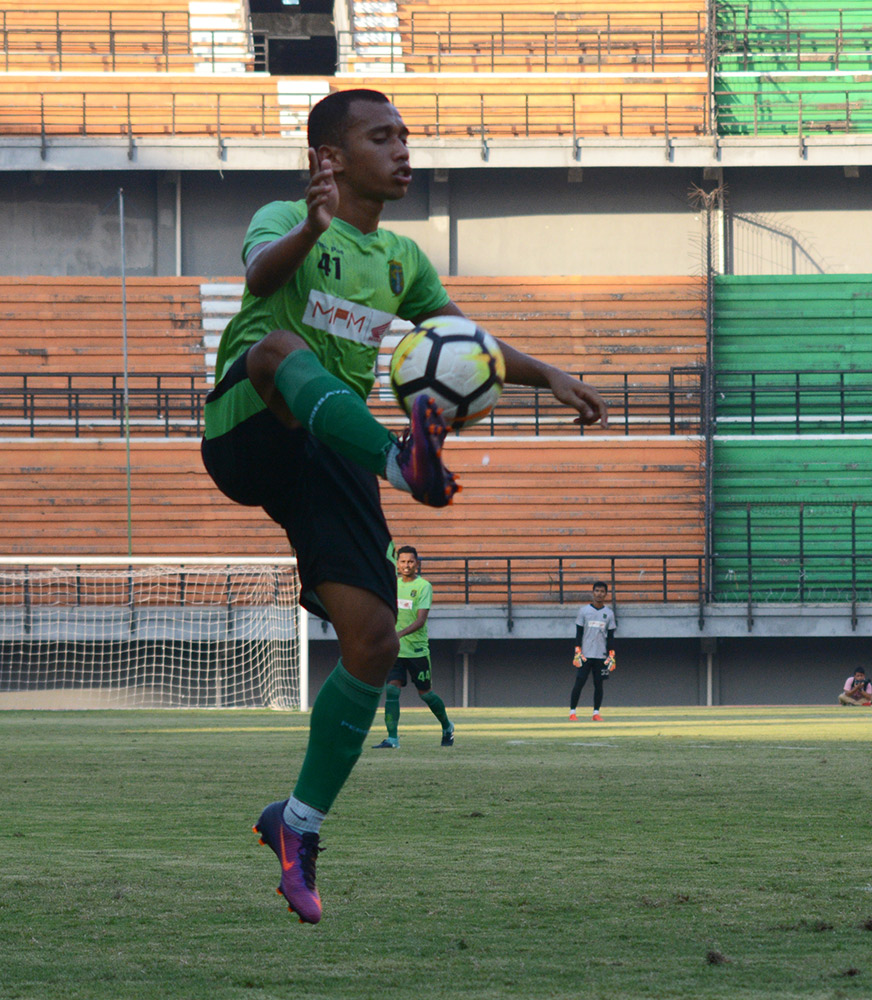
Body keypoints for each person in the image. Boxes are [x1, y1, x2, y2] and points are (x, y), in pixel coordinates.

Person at [201, 88, 608, 924]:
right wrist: (310, 230)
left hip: (330, 450)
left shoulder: (405, 262)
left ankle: (297, 824)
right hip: (251, 420)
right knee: (282, 348)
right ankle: (399, 457)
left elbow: (467, 344)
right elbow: (256, 278)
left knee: (375, 641)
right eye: (381, 136)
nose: (403, 149)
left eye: (405, 135)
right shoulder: (285, 215)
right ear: (331, 158)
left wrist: (547, 376)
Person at [372, 545, 453, 749]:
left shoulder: (424, 586)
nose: (406, 565)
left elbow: (421, 620)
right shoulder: (393, 585)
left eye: (410, 561)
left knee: (425, 694)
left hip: (417, 650)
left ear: (417, 563)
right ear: (397, 564)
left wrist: (397, 634)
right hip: (395, 650)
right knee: (392, 690)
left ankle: (447, 726)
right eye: (402, 561)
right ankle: (392, 739)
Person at [569, 581, 616, 721]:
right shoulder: (584, 611)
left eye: (602, 591)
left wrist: (611, 654)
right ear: (593, 592)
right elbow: (579, 633)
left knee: (599, 683)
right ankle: (572, 712)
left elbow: (611, 636)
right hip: (585, 655)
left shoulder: (609, 614)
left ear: (606, 594)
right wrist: (577, 651)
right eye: (597, 591)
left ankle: (596, 713)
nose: (599, 594)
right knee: (580, 681)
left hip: (601, 655)